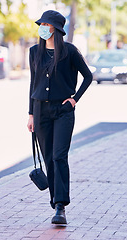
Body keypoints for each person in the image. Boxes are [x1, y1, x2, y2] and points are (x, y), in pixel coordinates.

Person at [27, 10, 92, 224]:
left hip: (63, 111)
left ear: (56, 28)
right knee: (48, 159)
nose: (43, 27)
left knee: (58, 157)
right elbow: (32, 84)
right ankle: (55, 202)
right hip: (40, 111)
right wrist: (30, 114)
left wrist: (75, 99)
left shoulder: (70, 51)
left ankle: (61, 206)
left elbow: (88, 76)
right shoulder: (34, 51)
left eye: (46, 24)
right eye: (41, 23)